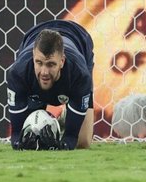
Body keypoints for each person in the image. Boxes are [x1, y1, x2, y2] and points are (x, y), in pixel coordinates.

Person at [7, 20, 94, 150]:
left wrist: (61, 145)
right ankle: (58, 121)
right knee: (31, 133)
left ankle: (65, 118)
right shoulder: (18, 73)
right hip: (33, 35)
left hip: (78, 38)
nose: (44, 72)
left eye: (51, 64)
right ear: (33, 57)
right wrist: (21, 144)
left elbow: (71, 138)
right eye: (39, 63)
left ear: (62, 61)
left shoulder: (79, 75)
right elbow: (15, 134)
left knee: (83, 142)